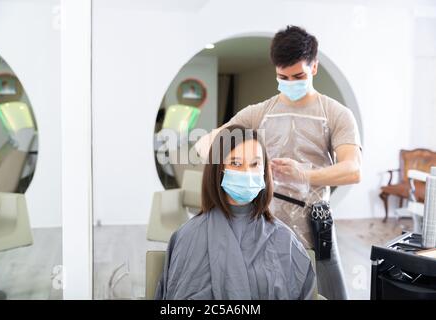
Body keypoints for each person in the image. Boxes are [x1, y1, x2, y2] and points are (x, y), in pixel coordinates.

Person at [193, 26, 362, 300]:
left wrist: (305, 175)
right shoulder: (260, 112)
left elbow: (352, 170)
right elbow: (208, 142)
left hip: (313, 226)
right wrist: (221, 153)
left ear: (314, 67)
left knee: (329, 294)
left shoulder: (336, 114)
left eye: (298, 76)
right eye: (282, 77)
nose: (290, 83)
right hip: (264, 225)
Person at [155, 125, 316, 300]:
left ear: (265, 170)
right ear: (218, 169)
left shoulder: (285, 239)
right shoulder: (188, 237)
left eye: (255, 164)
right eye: (236, 163)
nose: (247, 172)